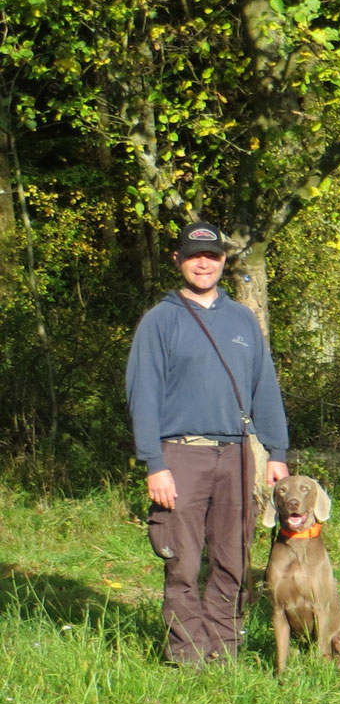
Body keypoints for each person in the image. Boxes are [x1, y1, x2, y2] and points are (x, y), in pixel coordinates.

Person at [125, 222, 291, 665]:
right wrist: (154, 462)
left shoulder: (241, 319)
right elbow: (142, 395)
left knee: (232, 555)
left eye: (213, 256)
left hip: (237, 455)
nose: (204, 263)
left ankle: (225, 649)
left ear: (223, 262)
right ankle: (187, 653)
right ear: (178, 260)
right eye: (195, 255)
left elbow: (265, 387)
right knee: (181, 560)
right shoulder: (160, 320)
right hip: (180, 454)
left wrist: (276, 452)